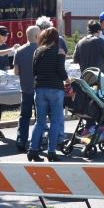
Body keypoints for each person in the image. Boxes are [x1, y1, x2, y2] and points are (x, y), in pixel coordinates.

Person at [27, 28, 68, 161]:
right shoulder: (59, 51)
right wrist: (68, 81)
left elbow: (34, 72)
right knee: (55, 121)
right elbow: (61, 71)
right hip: (55, 89)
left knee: (39, 122)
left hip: (39, 89)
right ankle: (51, 152)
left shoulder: (37, 51)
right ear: (56, 38)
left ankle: (33, 150)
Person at [13, 25, 41, 152]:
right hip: (40, 88)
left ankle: (21, 140)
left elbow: (16, 72)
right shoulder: (42, 50)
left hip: (25, 88)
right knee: (39, 116)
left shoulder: (19, 51)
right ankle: (37, 141)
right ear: (37, 36)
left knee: (24, 116)